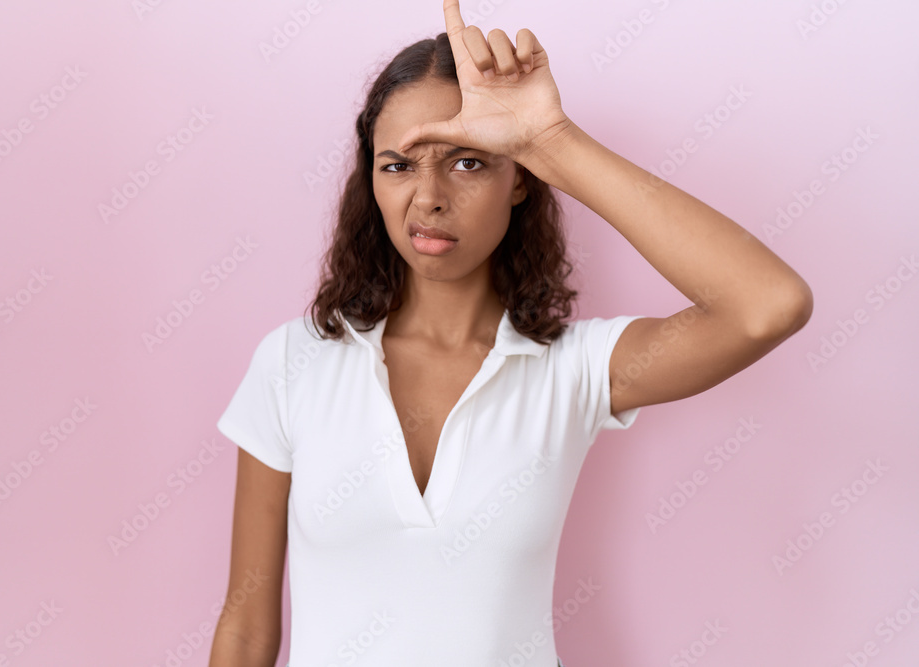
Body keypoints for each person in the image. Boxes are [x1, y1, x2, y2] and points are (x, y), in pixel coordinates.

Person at [207, 1, 813, 665]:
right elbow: (245, 625)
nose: (429, 196)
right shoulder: (293, 362)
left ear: (518, 179)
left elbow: (768, 305)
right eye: (399, 165)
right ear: (370, 179)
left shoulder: (574, 370)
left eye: (468, 162)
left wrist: (549, 139)